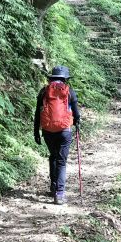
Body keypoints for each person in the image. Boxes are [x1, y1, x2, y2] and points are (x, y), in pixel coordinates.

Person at [34, 66, 81, 204]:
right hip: (64, 131)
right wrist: (77, 122)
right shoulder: (69, 92)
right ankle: (59, 194)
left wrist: (36, 131)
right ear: (65, 78)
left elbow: (38, 113)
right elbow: (76, 114)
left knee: (53, 156)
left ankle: (53, 187)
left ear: (51, 78)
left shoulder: (44, 92)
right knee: (61, 161)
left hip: (48, 131)